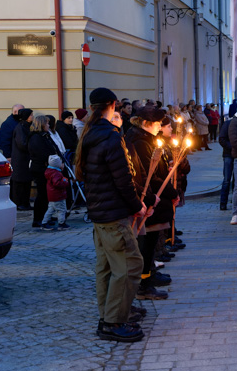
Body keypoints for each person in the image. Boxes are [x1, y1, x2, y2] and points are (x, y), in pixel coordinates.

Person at [76, 87, 147, 343]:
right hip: (112, 212)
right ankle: (114, 322)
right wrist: (136, 205)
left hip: (99, 212)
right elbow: (122, 178)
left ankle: (109, 315)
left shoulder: (90, 133)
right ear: (112, 105)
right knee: (129, 265)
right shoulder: (109, 135)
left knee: (107, 267)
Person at [125, 106, 175, 301]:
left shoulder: (147, 139)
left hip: (156, 197)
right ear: (145, 123)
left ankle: (150, 273)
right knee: (145, 244)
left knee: (152, 241)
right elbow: (148, 175)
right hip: (150, 198)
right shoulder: (140, 142)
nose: (160, 127)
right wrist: (169, 192)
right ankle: (144, 284)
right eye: (157, 123)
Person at [28, 115, 58, 228]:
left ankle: (45, 217)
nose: (49, 125)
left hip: (45, 167)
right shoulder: (36, 137)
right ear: (41, 124)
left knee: (46, 195)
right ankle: (38, 219)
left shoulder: (44, 136)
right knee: (42, 195)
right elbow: (41, 154)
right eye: (47, 123)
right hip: (40, 168)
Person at [10, 108, 34, 211]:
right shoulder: (20, 128)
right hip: (20, 160)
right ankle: (19, 203)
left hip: (26, 159)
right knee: (19, 183)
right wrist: (33, 146)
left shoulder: (27, 127)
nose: (32, 117)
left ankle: (25, 202)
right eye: (31, 115)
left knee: (26, 182)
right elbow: (22, 144)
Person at [42, 155, 70, 231]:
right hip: (58, 195)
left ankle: (44, 223)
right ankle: (61, 223)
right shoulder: (56, 173)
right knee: (62, 209)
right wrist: (65, 181)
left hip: (52, 196)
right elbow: (57, 183)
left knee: (50, 210)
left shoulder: (49, 171)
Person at [218, 109, 234, 210]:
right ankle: (223, 202)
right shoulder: (227, 124)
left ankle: (236, 202)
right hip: (228, 155)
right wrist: (232, 147)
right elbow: (222, 139)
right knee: (227, 180)